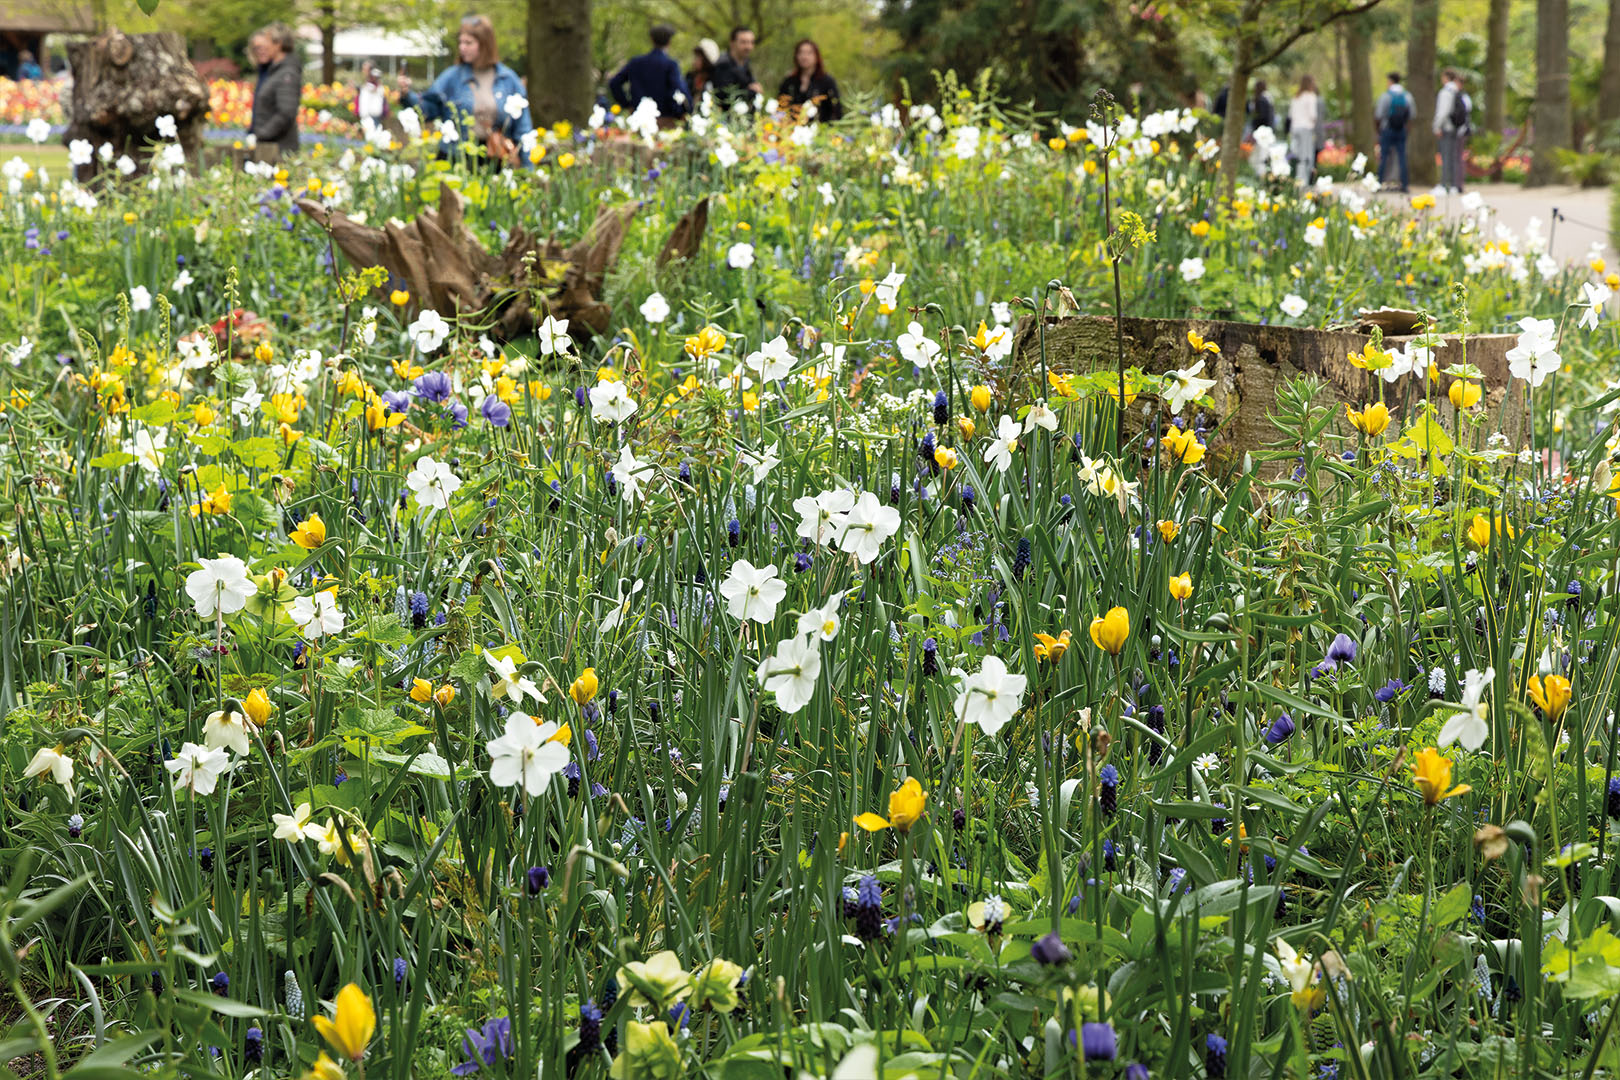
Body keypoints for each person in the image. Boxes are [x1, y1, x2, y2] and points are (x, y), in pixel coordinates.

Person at [421, 14, 534, 167]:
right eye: (460, 42)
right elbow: (426, 110)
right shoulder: (452, 77)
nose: (462, 47)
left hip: (494, 158)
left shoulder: (507, 79)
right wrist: (406, 95)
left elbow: (523, 128)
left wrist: (528, 168)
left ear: (485, 44)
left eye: (468, 43)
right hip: (456, 157)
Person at [608, 24, 689, 124]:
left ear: (652, 40)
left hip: (638, 121)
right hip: (665, 120)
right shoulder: (671, 65)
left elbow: (614, 83)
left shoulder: (636, 62)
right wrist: (681, 112)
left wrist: (628, 105)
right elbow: (678, 90)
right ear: (669, 42)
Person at [249, 24, 301, 158]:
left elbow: (286, 113)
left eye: (268, 42)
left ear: (278, 44)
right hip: (270, 147)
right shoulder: (275, 71)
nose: (265, 46)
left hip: (279, 149)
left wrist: (262, 134)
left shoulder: (287, 73)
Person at [777, 39, 841, 122]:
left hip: (820, 130)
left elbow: (836, 111)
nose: (804, 56)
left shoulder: (827, 82)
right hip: (790, 130)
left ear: (816, 56)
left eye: (809, 53)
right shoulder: (789, 82)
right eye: (801, 52)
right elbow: (780, 107)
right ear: (796, 56)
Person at [1374, 71, 1411, 193]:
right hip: (1402, 130)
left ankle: (1378, 183)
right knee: (1402, 157)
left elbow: (1378, 115)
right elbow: (1412, 115)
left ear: (1390, 81)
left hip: (1387, 129)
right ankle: (1404, 184)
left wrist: (1378, 131)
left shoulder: (1386, 96)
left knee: (1384, 157)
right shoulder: (1407, 96)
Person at [708, 27, 762, 112]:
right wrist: (751, 92)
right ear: (732, 43)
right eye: (743, 42)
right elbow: (724, 97)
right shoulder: (723, 65)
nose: (748, 46)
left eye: (751, 42)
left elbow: (753, 85)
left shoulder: (745, 63)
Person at [1435, 68, 1470, 193]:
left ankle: (1445, 184)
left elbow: (1443, 112)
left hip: (1447, 127)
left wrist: (1437, 126)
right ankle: (1455, 185)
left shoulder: (1446, 92)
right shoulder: (1458, 92)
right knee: (1455, 157)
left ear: (1445, 78)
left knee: (1446, 156)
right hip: (1457, 128)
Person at [1287, 74, 1320, 184]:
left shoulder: (1296, 97)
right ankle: (1304, 181)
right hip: (1306, 128)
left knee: (1297, 155)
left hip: (1295, 128)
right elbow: (1313, 115)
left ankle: (1297, 179)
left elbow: (1291, 115)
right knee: (1306, 157)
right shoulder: (1310, 96)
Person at [354, 62, 390, 127]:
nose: (363, 72)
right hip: (365, 116)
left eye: (365, 70)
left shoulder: (375, 84)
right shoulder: (366, 83)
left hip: (373, 116)